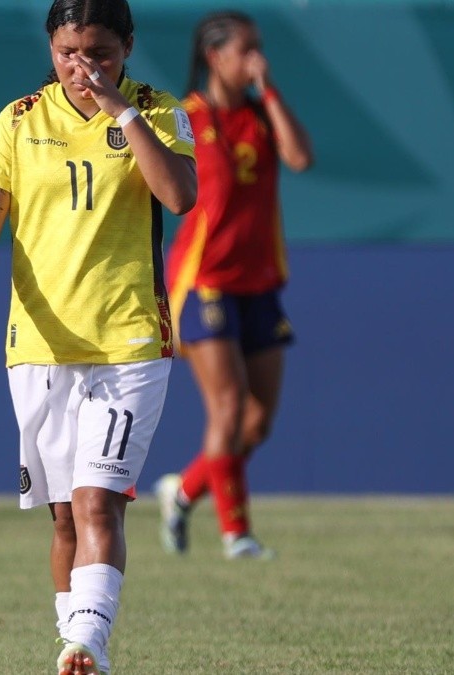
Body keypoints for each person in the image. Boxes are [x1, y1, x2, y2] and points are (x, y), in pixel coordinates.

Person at [0, 1, 196, 672]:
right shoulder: (21, 119)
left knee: (97, 500)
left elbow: (179, 194)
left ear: (129, 47)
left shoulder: (159, 109)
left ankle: (90, 642)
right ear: (50, 48)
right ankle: (72, 644)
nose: (83, 67)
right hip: (39, 343)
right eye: (68, 53)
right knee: (62, 515)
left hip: (129, 340)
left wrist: (122, 110)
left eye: (100, 54)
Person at [155, 10, 313, 560]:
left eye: (259, 49)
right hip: (204, 283)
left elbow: (300, 158)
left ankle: (183, 491)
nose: (256, 59)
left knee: (256, 420)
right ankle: (236, 534)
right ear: (214, 56)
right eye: (246, 50)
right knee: (225, 409)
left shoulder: (262, 116)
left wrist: (268, 90)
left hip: (259, 282)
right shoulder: (185, 117)